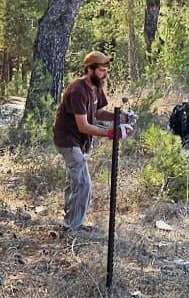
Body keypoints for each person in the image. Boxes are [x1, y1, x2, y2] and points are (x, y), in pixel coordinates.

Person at [53, 50, 132, 232]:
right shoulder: (77, 90)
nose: (104, 74)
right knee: (84, 184)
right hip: (67, 140)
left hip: (79, 141)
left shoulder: (95, 88)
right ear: (89, 70)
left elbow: (97, 113)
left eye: (105, 70)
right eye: (101, 70)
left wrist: (121, 117)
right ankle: (73, 227)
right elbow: (84, 126)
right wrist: (111, 133)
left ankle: (70, 222)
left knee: (74, 181)